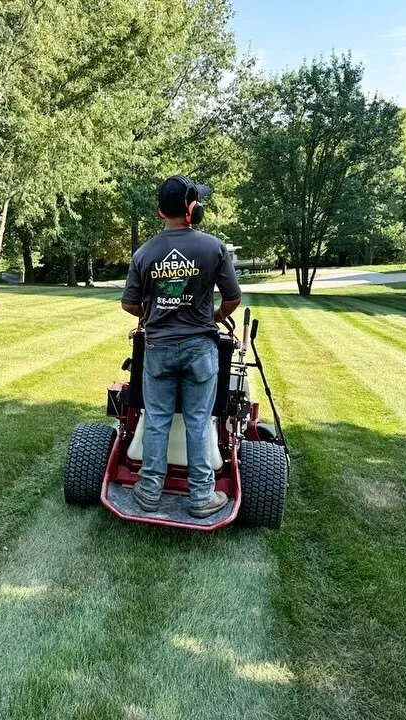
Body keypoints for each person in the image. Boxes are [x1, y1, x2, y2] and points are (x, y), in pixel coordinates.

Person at [121, 175, 241, 518]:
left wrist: (155, 312)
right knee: (199, 421)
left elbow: (129, 305)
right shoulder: (213, 248)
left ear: (161, 211)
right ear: (193, 209)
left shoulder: (144, 253)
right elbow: (233, 298)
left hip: (158, 349)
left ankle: (148, 491)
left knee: (157, 420)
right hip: (200, 349)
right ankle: (202, 497)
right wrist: (215, 315)